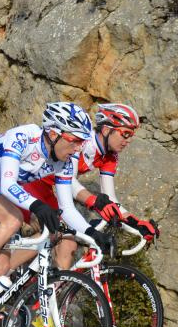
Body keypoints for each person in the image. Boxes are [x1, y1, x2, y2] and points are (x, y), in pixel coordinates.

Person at [0, 102, 111, 315]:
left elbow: (67, 208)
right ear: (53, 133)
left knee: (1, 267)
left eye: (82, 142)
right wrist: (37, 205)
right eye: (75, 140)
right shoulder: (23, 137)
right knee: (13, 218)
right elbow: (8, 185)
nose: (79, 148)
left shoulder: (65, 162)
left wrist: (92, 234)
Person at [23, 103, 160, 268]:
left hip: (50, 191)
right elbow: (70, 181)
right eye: (125, 134)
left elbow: (111, 199)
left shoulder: (110, 157)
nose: (128, 141)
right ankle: (1, 277)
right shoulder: (82, 140)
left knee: (68, 244)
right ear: (106, 129)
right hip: (32, 184)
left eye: (131, 135)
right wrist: (93, 200)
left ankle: (52, 291)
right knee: (43, 234)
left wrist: (137, 223)